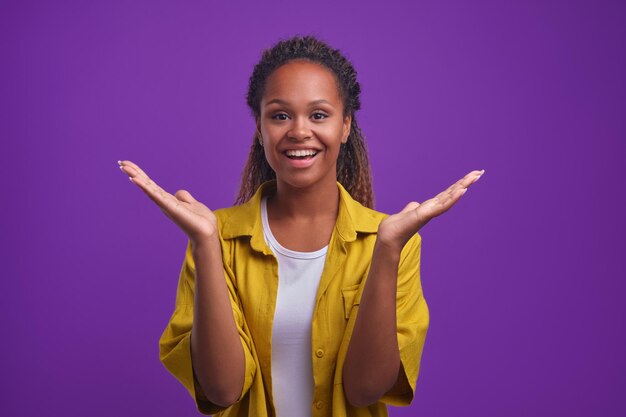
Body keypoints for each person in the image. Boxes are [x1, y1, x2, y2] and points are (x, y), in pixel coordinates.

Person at [118, 35, 484, 417]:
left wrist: (388, 249)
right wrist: (207, 245)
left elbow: (365, 390)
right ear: (260, 130)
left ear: (345, 126)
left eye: (319, 115)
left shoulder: (394, 241)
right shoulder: (215, 236)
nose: (298, 131)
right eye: (279, 115)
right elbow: (222, 389)